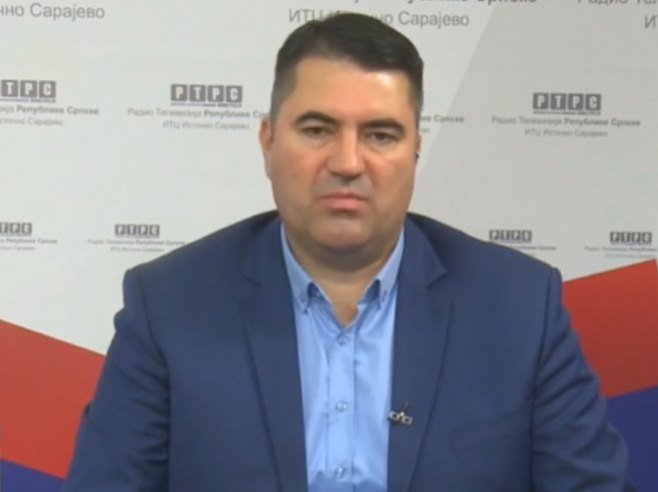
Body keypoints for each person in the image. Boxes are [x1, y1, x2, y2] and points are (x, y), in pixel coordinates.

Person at [63, 12, 634, 492]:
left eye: (380, 135)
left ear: (415, 151)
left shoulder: (518, 307)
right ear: (268, 142)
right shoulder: (169, 305)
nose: (347, 163)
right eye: (317, 129)